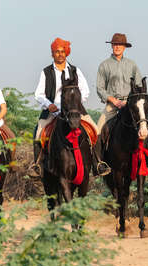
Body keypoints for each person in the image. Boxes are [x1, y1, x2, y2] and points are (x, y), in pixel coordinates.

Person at [33, 37, 110, 176]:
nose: (60, 54)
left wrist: (76, 104)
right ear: (52, 54)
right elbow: (38, 94)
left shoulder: (75, 70)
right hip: (53, 111)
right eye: (57, 52)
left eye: (63, 51)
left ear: (66, 53)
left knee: (95, 129)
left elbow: (85, 90)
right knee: (39, 132)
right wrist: (48, 104)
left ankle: (98, 163)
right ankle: (37, 165)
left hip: (74, 110)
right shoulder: (46, 72)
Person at [96, 33, 148, 169]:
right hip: (113, 104)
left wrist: (132, 101)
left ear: (125, 47)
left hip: (132, 104)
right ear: (112, 46)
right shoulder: (104, 65)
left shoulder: (132, 65)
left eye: (120, 44)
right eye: (115, 44)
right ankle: (100, 162)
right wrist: (114, 101)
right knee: (98, 130)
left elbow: (138, 86)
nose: (117, 47)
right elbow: (100, 88)